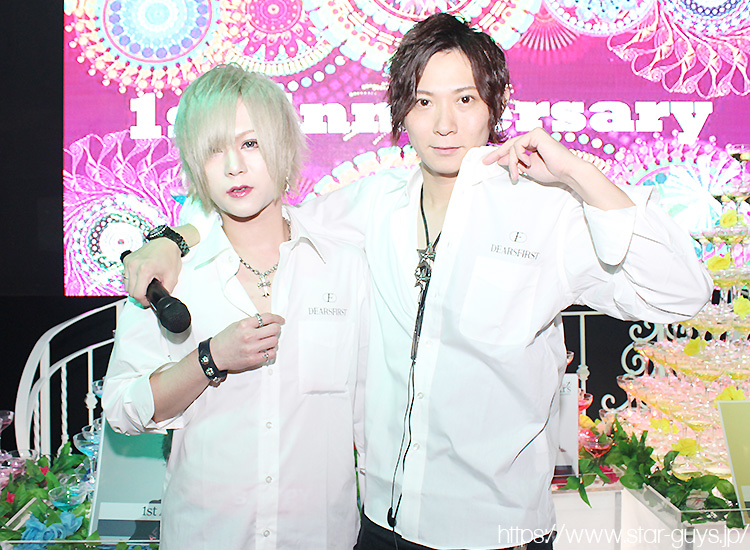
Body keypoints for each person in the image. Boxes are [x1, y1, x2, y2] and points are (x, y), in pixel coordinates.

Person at [122, 13, 712, 550]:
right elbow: (263, 211)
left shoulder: (546, 212)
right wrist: (173, 240)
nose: (445, 124)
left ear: (495, 106)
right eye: (424, 102)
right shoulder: (374, 204)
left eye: (465, 99)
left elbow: (682, 292)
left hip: (496, 531)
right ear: (402, 111)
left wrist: (578, 173)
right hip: (385, 525)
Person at [103, 64, 369, 550]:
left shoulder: (344, 267)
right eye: (213, 150)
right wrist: (208, 360)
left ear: (282, 148)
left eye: (250, 143)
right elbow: (122, 408)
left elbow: (370, 416)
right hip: (207, 536)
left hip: (319, 537)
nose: (233, 167)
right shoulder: (168, 277)